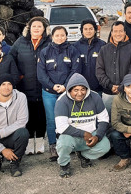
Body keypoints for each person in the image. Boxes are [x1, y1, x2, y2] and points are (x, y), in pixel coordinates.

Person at [37, 26, 81, 161]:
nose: (60, 38)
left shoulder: (73, 51)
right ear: (52, 37)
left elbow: (75, 70)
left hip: (67, 92)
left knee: (69, 118)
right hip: (49, 92)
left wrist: (66, 86)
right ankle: (53, 146)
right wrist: (52, 86)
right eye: (57, 35)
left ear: (66, 36)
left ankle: (70, 144)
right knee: (51, 120)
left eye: (62, 35)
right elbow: (41, 73)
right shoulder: (45, 52)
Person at [55, 73, 111, 178]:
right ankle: (64, 164)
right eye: (76, 90)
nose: (80, 93)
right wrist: (83, 133)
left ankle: (83, 154)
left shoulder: (95, 97)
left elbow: (104, 119)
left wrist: (98, 136)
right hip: (70, 135)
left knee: (105, 146)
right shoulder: (62, 101)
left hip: (90, 134)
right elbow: (61, 126)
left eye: (83, 89)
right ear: (69, 90)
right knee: (63, 144)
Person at [9, 16, 51, 156]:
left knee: (42, 115)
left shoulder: (49, 43)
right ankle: (28, 143)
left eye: (40, 26)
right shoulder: (20, 42)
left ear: (44, 29)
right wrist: (17, 77)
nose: (37, 29)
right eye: (34, 26)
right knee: (27, 115)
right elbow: (11, 59)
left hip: (43, 85)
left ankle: (39, 143)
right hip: (24, 86)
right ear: (29, 28)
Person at [96, 21, 131, 116]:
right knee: (107, 120)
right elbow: (99, 71)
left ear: (125, 33)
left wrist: (122, 86)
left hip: (127, 93)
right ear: (111, 33)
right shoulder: (104, 49)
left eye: (120, 31)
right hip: (108, 94)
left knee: (127, 120)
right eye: (115, 31)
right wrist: (110, 85)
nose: (118, 34)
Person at [73, 19, 106, 96]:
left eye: (91, 29)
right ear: (82, 31)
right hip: (81, 88)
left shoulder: (102, 45)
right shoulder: (75, 46)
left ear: (95, 30)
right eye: (85, 29)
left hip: (99, 87)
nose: (88, 31)